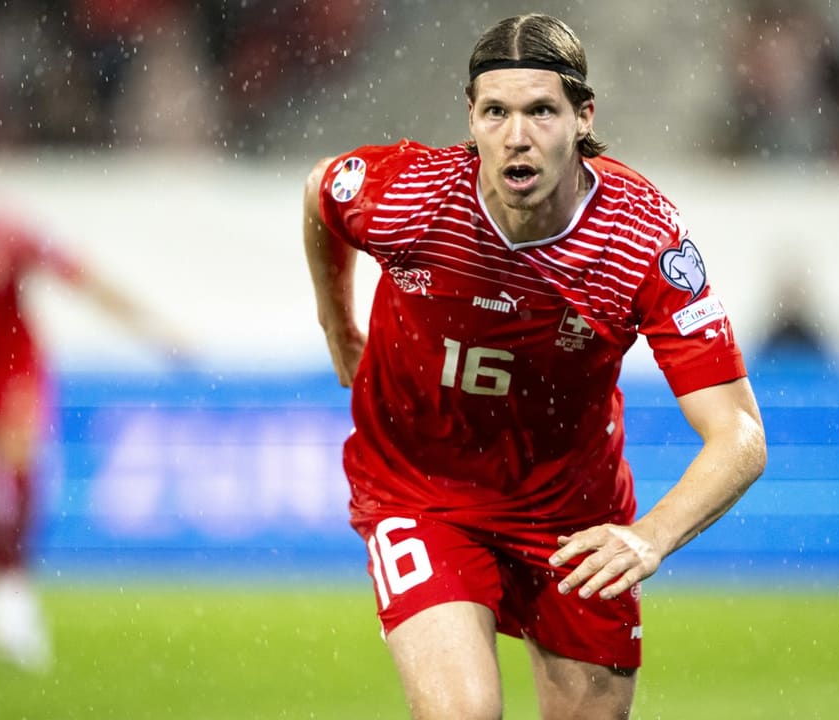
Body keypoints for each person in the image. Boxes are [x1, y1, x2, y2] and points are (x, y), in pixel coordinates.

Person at [303, 13, 767, 719]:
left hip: (573, 519)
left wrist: (650, 537)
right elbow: (321, 194)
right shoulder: (410, 195)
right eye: (496, 111)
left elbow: (739, 433)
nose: (516, 135)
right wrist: (336, 321)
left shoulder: (642, 241)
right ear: (471, 117)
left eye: (541, 111)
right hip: (423, 491)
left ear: (583, 117)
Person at [0, 138, 184, 672]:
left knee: (16, 460)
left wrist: (153, 329)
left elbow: (83, 280)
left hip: (11, 371)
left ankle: (14, 587)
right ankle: (4, 578)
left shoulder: (8, 235)